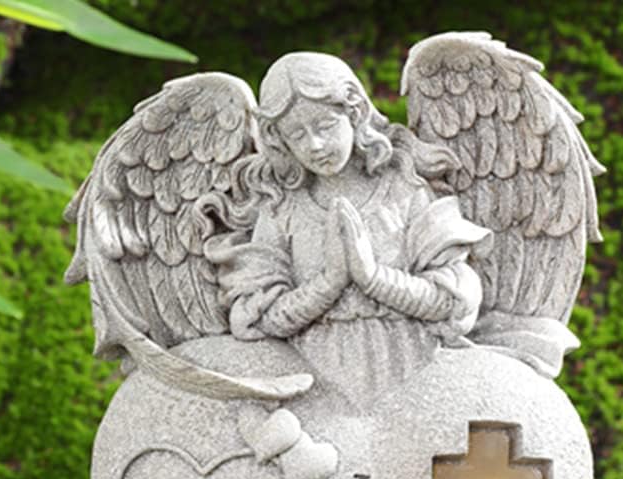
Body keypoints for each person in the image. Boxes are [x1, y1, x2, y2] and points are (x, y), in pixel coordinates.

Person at [207, 53, 491, 408]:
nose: (314, 145)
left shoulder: (403, 189)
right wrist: (329, 284)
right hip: (310, 377)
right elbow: (260, 318)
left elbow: (452, 302)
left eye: (325, 126)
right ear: (280, 141)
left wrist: (372, 278)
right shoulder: (281, 206)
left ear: (354, 113)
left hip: (411, 364)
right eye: (297, 134)